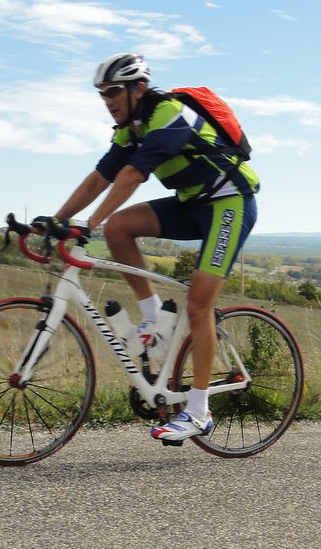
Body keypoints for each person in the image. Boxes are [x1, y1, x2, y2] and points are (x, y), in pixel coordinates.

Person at [42, 53, 259, 442]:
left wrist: (88, 225)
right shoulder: (132, 128)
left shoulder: (168, 114)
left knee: (197, 305)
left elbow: (132, 175)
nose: (107, 100)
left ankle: (198, 411)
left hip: (229, 203)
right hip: (193, 203)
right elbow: (101, 176)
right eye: (102, 94)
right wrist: (58, 219)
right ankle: (153, 315)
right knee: (120, 228)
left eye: (113, 92)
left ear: (137, 88)